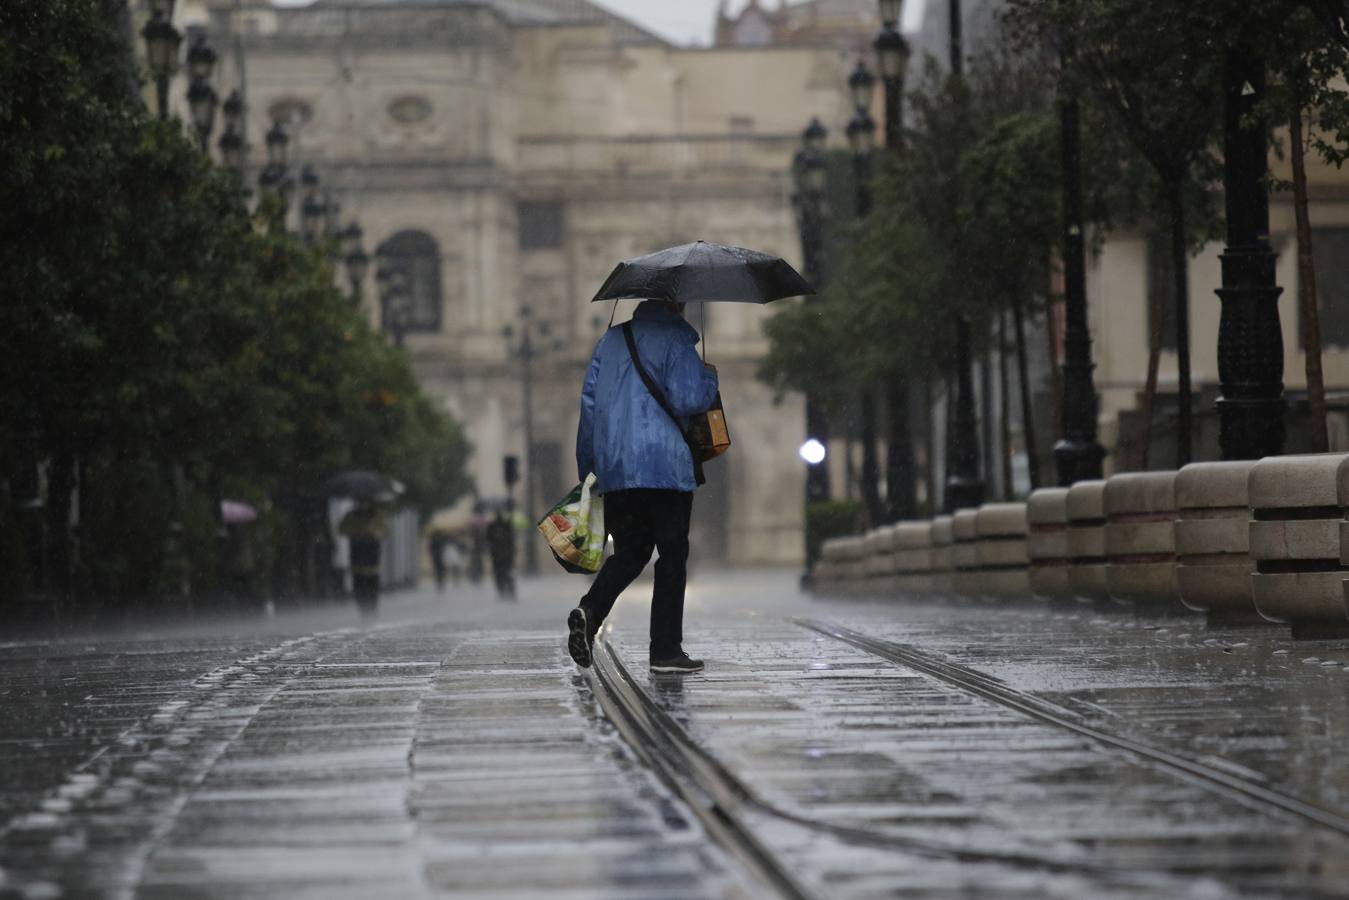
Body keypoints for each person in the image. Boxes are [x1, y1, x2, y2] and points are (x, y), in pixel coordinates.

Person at [568, 298, 718, 674]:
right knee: (671, 554)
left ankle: (590, 610)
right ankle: (665, 650)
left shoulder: (609, 342)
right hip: (664, 465)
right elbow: (688, 399)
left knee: (631, 553)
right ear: (678, 304)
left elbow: (589, 407)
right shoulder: (676, 340)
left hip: (617, 466)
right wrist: (708, 377)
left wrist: (590, 467)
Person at [339, 501, 386, 616]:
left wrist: (373, 533)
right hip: (357, 554)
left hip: (372, 555)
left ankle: (372, 608)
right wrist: (356, 532)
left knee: (372, 584)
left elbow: (384, 531)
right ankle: (363, 609)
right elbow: (341, 529)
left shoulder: (376, 515)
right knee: (359, 585)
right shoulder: (351, 516)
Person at [485, 509, 516, 599]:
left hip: (498, 555)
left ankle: (503, 590)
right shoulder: (506, 525)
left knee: (501, 574)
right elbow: (511, 540)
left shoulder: (492, 526)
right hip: (504, 554)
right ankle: (508, 591)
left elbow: (488, 540)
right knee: (507, 573)